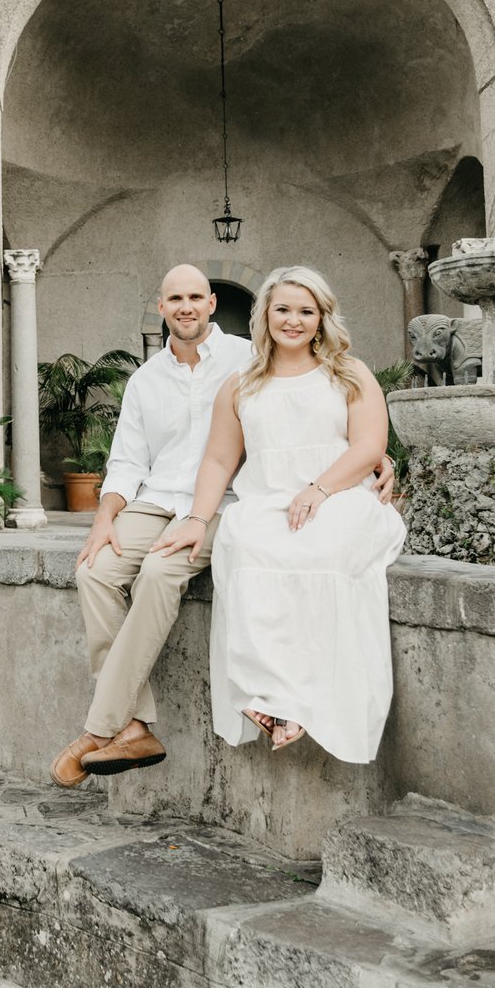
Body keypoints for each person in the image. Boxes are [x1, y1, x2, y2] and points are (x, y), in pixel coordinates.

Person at [52, 265, 396, 787]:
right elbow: (128, 460)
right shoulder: (155, 379)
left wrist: (364, 465)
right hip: (168, 500)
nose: (186, 307)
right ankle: (132, 722)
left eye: (195, 296)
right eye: (174, 298)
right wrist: (105, 516)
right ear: (162, 307)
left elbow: (355, 430)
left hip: (235, 502)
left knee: (161, 573)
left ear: (213, 304)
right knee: (95, 571)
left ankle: (102, 726)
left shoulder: (250, 355)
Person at [151, 265, 407, 762]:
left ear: (322, 318)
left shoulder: (349, 373)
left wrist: (319, 488)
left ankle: (308, 702)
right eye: (283, 309)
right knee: (245, 546)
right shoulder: (240, 384)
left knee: (322, 549)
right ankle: (267, 698)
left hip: (341, 498)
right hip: (267, 501)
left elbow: (370, 444)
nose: (293, 320)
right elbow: (220, 460)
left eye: (306, 311)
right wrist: (197, 521)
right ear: (264, 314)